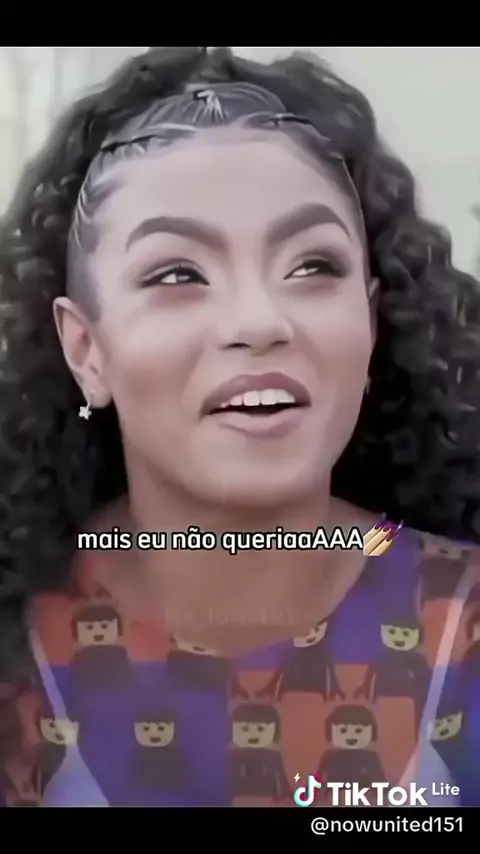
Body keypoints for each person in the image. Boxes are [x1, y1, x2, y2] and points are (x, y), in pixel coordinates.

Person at [0, 46, 479, 809]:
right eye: (178, 274)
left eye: (313, 266)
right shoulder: (19, 648)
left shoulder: (465, 622)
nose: (260, 321)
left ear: (371, 321)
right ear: (86, 349)